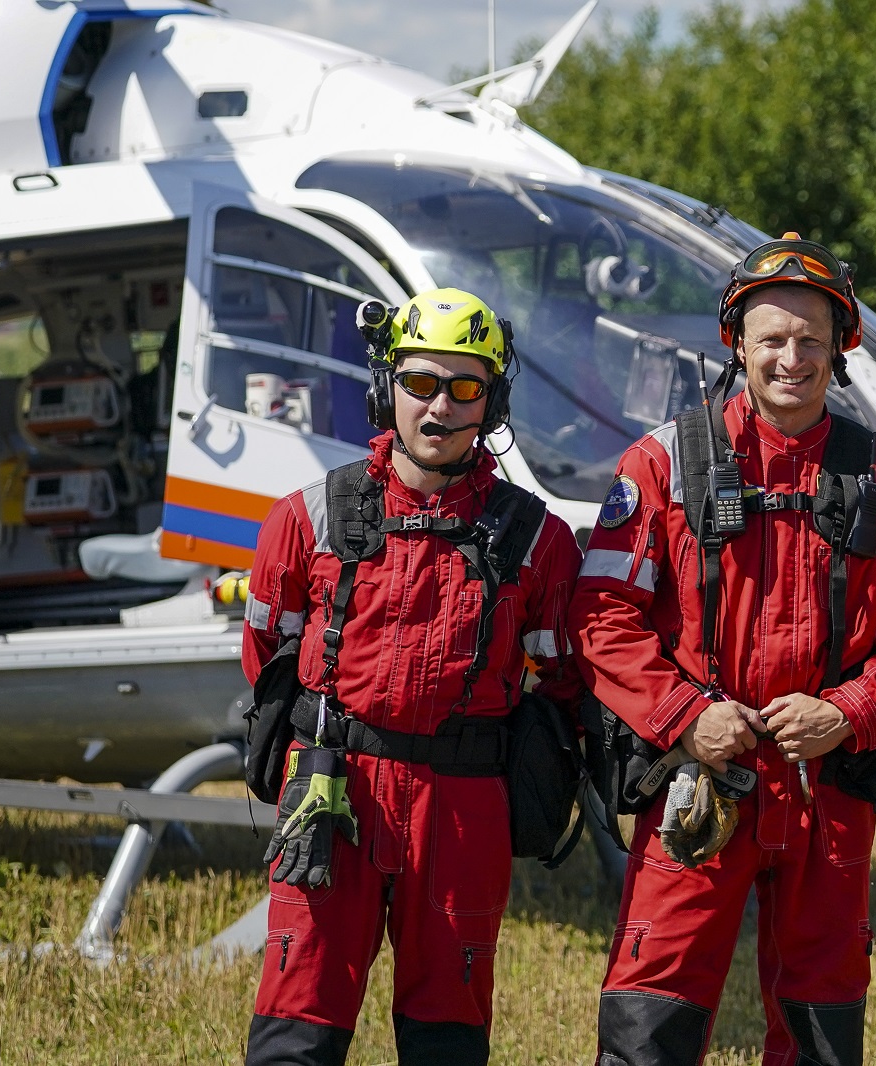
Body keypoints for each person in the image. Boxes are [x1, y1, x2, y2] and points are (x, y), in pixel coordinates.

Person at [570, 234, 876, 1066]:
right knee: (650, 1023)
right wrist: (686, 718)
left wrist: (847, 711)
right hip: (696, 784)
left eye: (812, 340)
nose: (793, 358)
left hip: (829, 791)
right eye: (774, 339)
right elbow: (602, 615)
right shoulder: (661, 466)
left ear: (842, 347)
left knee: (822, 1030)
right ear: (736, 343)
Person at [240, 288, 584, 1065]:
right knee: (298, 1021)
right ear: (384, 387)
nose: (438, 408)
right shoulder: (308, 515)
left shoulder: (539, 540)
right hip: (332, 793)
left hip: (462, 807)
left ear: (491, 402)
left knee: (448, 1035)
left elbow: (563, 680)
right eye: (420, 383)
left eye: (465, 389)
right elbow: (268, 656)